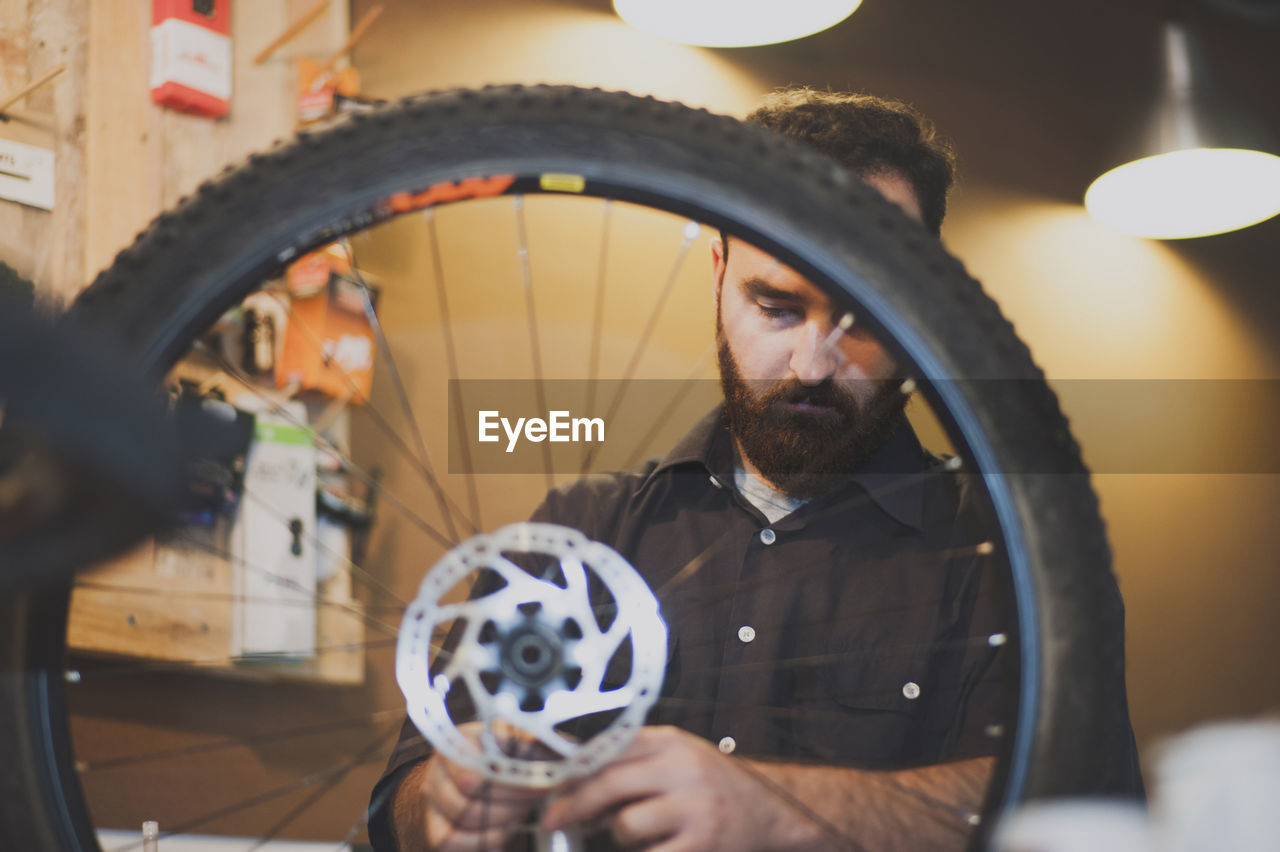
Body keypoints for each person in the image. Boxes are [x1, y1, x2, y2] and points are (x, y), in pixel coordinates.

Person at [369, 88, 1142, 851]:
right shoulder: (576, 531)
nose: (811, 364)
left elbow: (1090, 809)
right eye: (776, 306)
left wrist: (783, 810)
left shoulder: (1015, 553)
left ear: (924, 305)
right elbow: (398, 807)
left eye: (863, 318)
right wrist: (447, 799)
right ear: (717, 272)